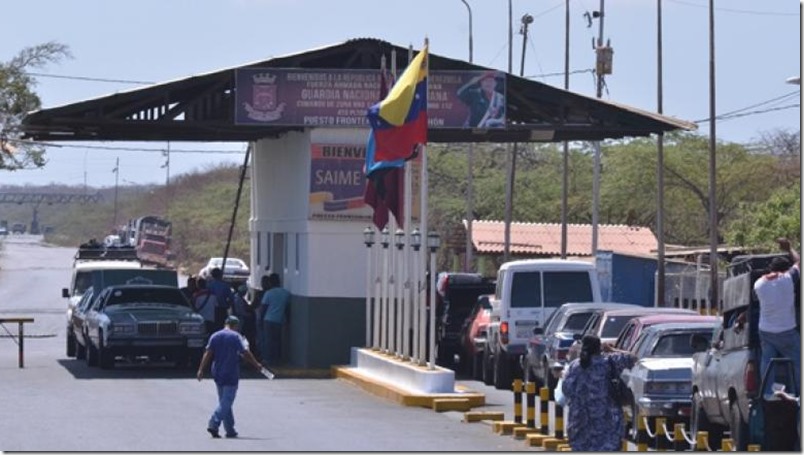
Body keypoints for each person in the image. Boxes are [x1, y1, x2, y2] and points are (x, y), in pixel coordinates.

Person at [561, 334, 636, 451]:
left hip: (579, 423)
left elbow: (566, 389)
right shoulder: (609, 362)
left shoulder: (574, 366)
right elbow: (633, 358)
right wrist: (611, 350)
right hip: (607, 422)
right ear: (598, 347)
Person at [197, 315, 263, 439]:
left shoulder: (215, 336)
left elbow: (208, 353)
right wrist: (256, 364)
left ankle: (230, 429)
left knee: (224, 401)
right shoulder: (236, 337)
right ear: (236, 326)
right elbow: (246, 352)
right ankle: (214, 422)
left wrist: (201, 369)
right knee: (227, 401)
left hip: (217, 373)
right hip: (231, 373)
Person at [753, 237, 801, 391]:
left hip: (766, 331)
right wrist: (789, 248)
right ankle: (799, 392)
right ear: (785, 269)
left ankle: (768, 393)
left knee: (767, 362)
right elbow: (799, 262)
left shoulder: (759, 284)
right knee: (798, 362)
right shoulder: (788, 279)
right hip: (787, 331)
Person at [260, 273, 290, 366]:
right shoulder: (286, 293)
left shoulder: (268, 293)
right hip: (279, 320)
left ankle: (268, 359)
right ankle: (277, 359)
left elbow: (263, 308)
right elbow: (287, 308)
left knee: (268, 340)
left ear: (270, 282)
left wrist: (261, 319)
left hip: (268, 319)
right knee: (277, 341)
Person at [207, 267, 234, 332]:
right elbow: (231, 298)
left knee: (213, 327)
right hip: (222, 309)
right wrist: (228, 305)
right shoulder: (225, 285)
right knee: (222, 327)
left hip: (212, 310)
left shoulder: (209, 285)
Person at [232, 284, 257, 356]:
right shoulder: (238, 298)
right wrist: (248, 315)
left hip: (241, 320)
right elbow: (239, 311)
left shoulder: (239, 298)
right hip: (240, 320)